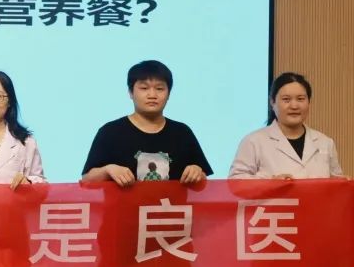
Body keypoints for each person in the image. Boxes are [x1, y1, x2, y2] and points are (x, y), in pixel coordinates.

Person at [81, 59, 212, 187]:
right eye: (144, 88)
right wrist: (108, 170)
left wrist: (197, 172)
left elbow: (202, 180)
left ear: (169, 94)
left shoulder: (182, 133)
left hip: (170, 203)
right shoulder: (110, 132)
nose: (152, 95)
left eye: (159, 88)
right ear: (131, 92)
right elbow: (87, 179)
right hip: (125, 203)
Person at [229, 72, 344, 179]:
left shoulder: (325, 142)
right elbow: (235, 181)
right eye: (286, 99)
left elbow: (336, 183)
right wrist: (269, 183)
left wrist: (343, 183)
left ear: (309, 102)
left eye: (300, 99)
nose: (294, 106)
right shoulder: (253, 141)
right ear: (272, 102)